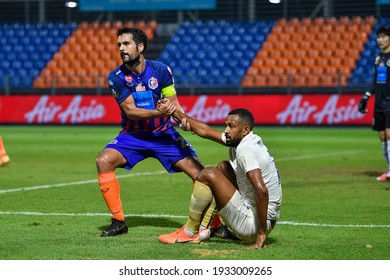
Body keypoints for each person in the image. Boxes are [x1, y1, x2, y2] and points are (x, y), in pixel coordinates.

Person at [96, 27, 228, 238]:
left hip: (164, 134)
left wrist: (183, 120)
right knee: (103, 161)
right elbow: (130, 111)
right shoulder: (117, 77)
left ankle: (217, 225)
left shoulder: (161, 71)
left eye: (126, 44)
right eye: (119, 44)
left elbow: (174, 104)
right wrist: (158, 110)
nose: (121, 48)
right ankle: (118, 221)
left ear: (140, 47)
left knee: (200, 174)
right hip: (133, 136)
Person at [158, 108, 282, 249]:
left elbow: (262, 191)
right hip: (262, 219)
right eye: (226, 125)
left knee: (208, 174)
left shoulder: (246, 150)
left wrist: (260, 234)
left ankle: (190, 231)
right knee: (223, 167)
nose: (227, 130)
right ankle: (204, 228)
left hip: (254, 225)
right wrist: (176, 113)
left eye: (231, 126)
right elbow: (204, 130)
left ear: (245, 129)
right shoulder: (245, 139)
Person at [358, 25, 390, 181]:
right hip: (379, 104)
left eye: (384, 36)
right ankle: (389, 169)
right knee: (382, 136)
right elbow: (375, 81)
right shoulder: (378, 58)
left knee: (389, 134)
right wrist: (366, 97)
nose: (380, 40)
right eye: (378, 37)